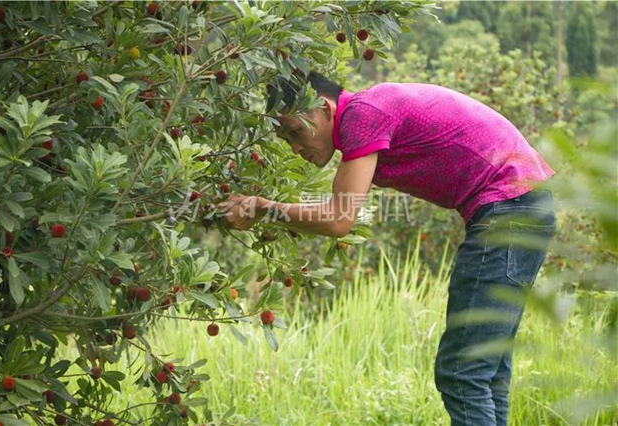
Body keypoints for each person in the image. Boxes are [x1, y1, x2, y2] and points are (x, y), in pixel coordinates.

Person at [217, 71, 557, 425]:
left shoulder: (362, 116)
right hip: (525, 205)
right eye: (286, 139)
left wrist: (261, 207)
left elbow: (337, 219)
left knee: (463, 372)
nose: (295, 148)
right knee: (486, 369)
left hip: (508, 208)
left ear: (323, 108)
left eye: (295, 132)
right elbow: (338, 204)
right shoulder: (366, 117)